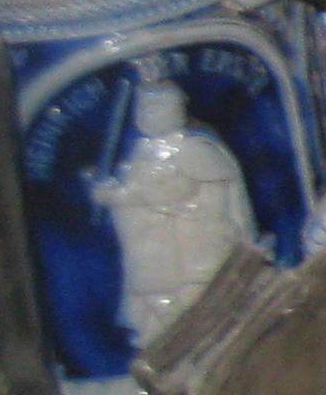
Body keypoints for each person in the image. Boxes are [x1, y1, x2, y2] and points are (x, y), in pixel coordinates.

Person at [91, 75, 255, 353]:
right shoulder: (144, 151)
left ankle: (195, 343)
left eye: (153, 108)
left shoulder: (195, 151)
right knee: (155, 298)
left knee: (189, 300)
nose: (144, 115)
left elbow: (167, 193)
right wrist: (113, 195)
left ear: (175, 110)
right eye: (142, 108)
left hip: (190, 249)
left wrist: (117, 196)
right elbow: (140, 192)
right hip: (156, 250)